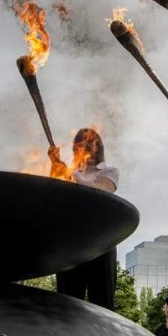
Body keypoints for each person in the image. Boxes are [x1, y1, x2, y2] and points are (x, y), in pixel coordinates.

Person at [48, 128, 119, 310]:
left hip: (101, 242)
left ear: (98, 147)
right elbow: (53, 192)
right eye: (78, 146)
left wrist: (72, 175)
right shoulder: (70, 171)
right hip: (72, 242)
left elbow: (100, 191)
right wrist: (55, 164)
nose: (83, 150)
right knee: (66, 302)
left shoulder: (109, 172)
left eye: (88, 144)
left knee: (103, 303)